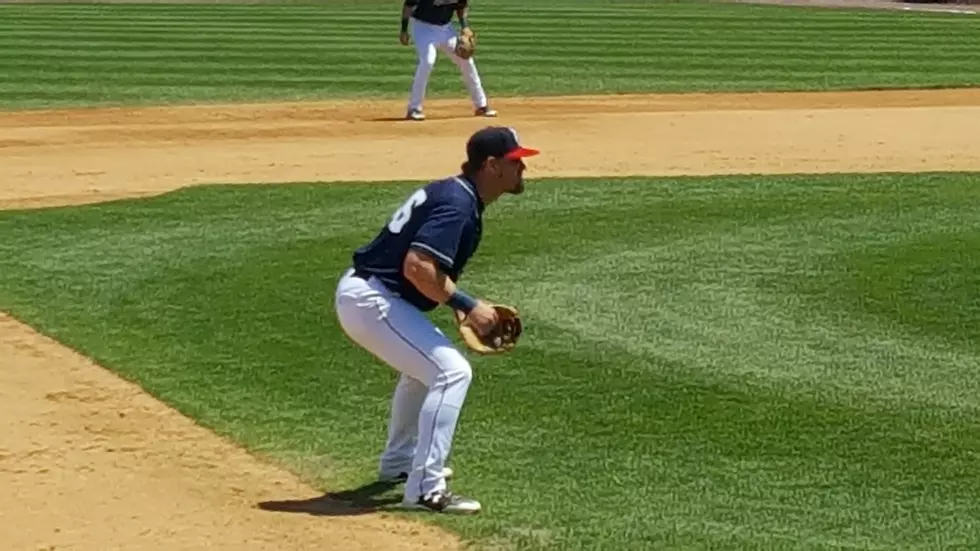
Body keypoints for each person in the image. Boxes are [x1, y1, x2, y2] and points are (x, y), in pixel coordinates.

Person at [334, 126, 539, 514]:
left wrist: (458, 305)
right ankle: (426, 489)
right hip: (372, 300)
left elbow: (422, 271)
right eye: (515, 162)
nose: (523, 168)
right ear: (492, 166)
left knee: (422, 371)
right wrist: (467, 302)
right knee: (452, 372)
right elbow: (417, 267)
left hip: (371, 295)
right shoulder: (457, 205)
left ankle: (399, 462)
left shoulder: (456, 194)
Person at [399, 0, 497, 121]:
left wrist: (465, 26)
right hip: (423, 27)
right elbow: (408, 5)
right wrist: (404, 29)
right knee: (428, 61)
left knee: (467, 61)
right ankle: (414, 108)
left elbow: (462, 6)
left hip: (446, 29)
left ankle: (481, 106)